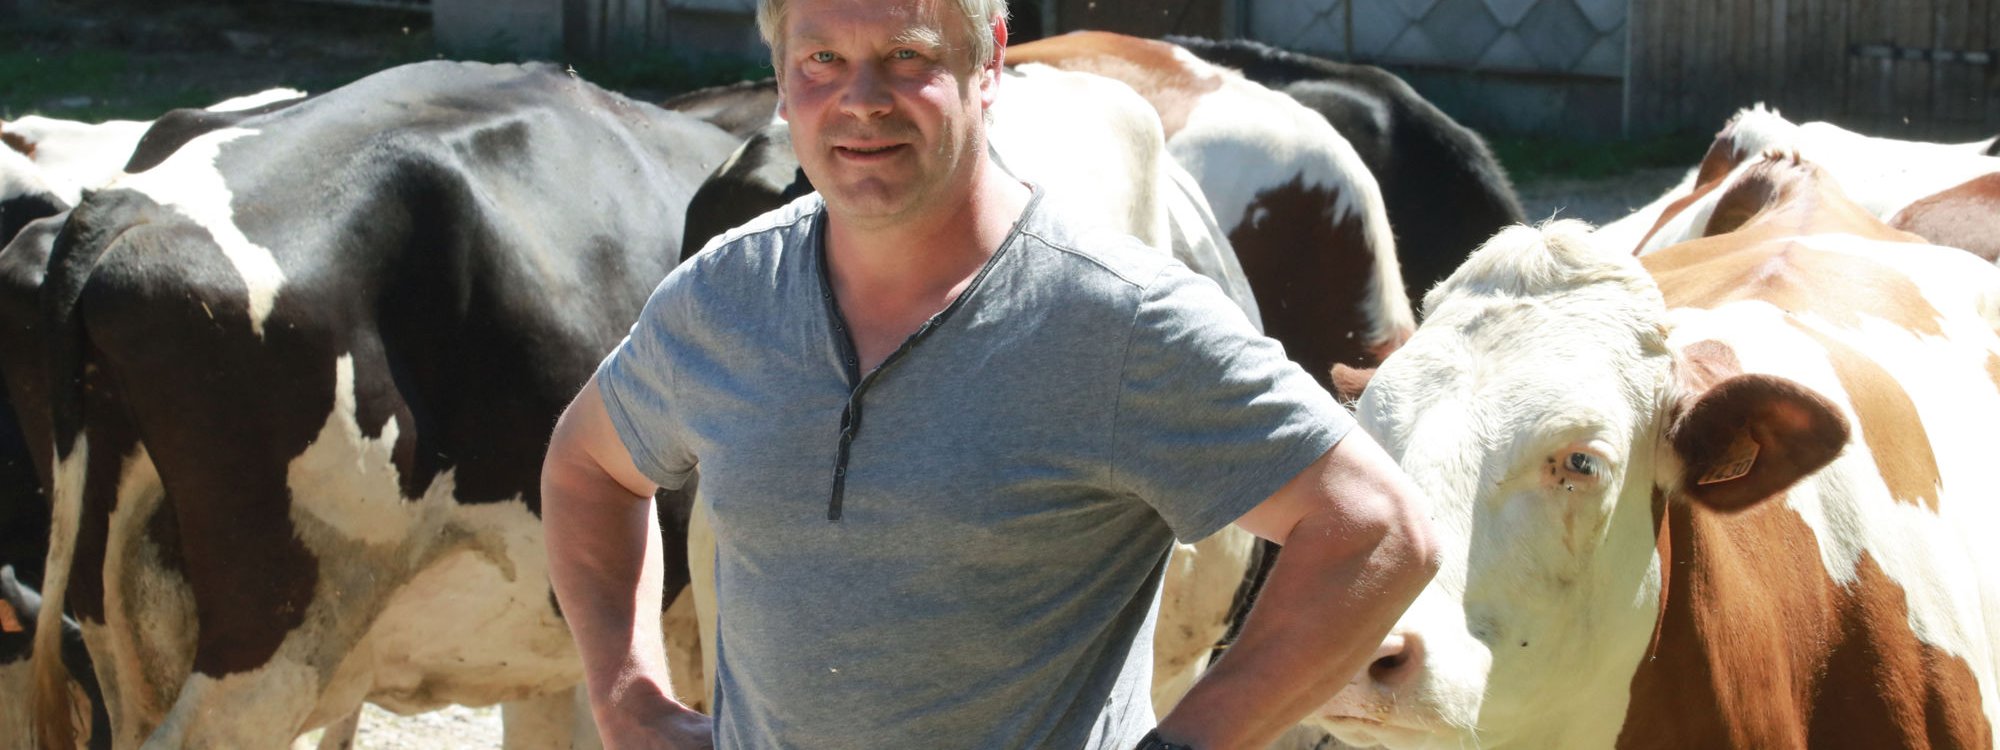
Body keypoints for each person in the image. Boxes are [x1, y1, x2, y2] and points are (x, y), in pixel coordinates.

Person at [540, 0, 1440, 747]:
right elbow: (589, 466)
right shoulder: (726, 297)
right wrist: (627, 700)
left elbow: (1376, 529)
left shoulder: (1116, 321)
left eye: (906, 56)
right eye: (821, 59)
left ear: (989, 61)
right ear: (779, 77)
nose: (861, 101)